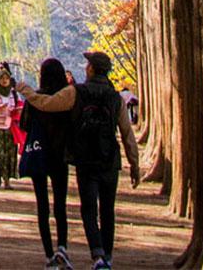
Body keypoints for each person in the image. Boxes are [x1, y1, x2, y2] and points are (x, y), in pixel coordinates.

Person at [19, 51, 141, 270]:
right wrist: (134, 164)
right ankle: (107, 256)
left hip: (85, 158)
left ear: (92, 69)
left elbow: (46, 104)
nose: (85, 68)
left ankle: (96, 255)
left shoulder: (76, 93)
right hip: (109, 158)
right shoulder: (116, 98)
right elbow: (127, 134)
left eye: (88, 65)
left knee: (88, 209)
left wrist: (26, 92)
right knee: (107, 209)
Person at [20, 58, 73, 269]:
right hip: (60, 156)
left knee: (42, 206)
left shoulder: (35, 98)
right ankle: (62, 247)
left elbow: (24, 125)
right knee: (60, 204)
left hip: (38, 154)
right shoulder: (66, 99)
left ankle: (49, 255)